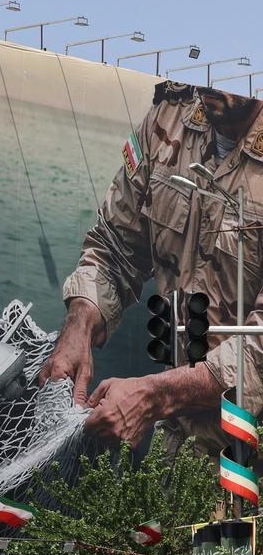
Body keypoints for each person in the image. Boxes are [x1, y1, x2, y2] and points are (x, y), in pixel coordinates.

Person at [39, 81, 263, 456]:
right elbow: (116, 245)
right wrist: (79, 325)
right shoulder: (170, 116)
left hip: (251, 445)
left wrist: (153, 396)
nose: (207, 84)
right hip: (179, 436)